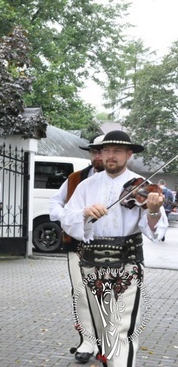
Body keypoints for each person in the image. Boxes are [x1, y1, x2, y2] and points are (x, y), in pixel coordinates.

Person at [59, 130, 168, 367]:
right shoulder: (87, 185)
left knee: (122, 329)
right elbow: (67, 219)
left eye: (117, 151)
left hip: (127, 263)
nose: (110, 156)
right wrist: (85, 214)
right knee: (103, 331)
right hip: (91, 265)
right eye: (106, 150)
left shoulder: (143, 187)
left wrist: (153, 210)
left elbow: (155, 230)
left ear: (128, 154)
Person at [49, 134, 104, 363]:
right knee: (81, 293)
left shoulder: (126, 181)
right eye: (95, 151)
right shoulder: (75, 178)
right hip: (78, 246)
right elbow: (55, 205)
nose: (99, 156)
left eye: (103, 151)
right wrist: (72, 217)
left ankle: (106, 343)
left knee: (107, 297)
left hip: (112, 248)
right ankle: (87, 341)